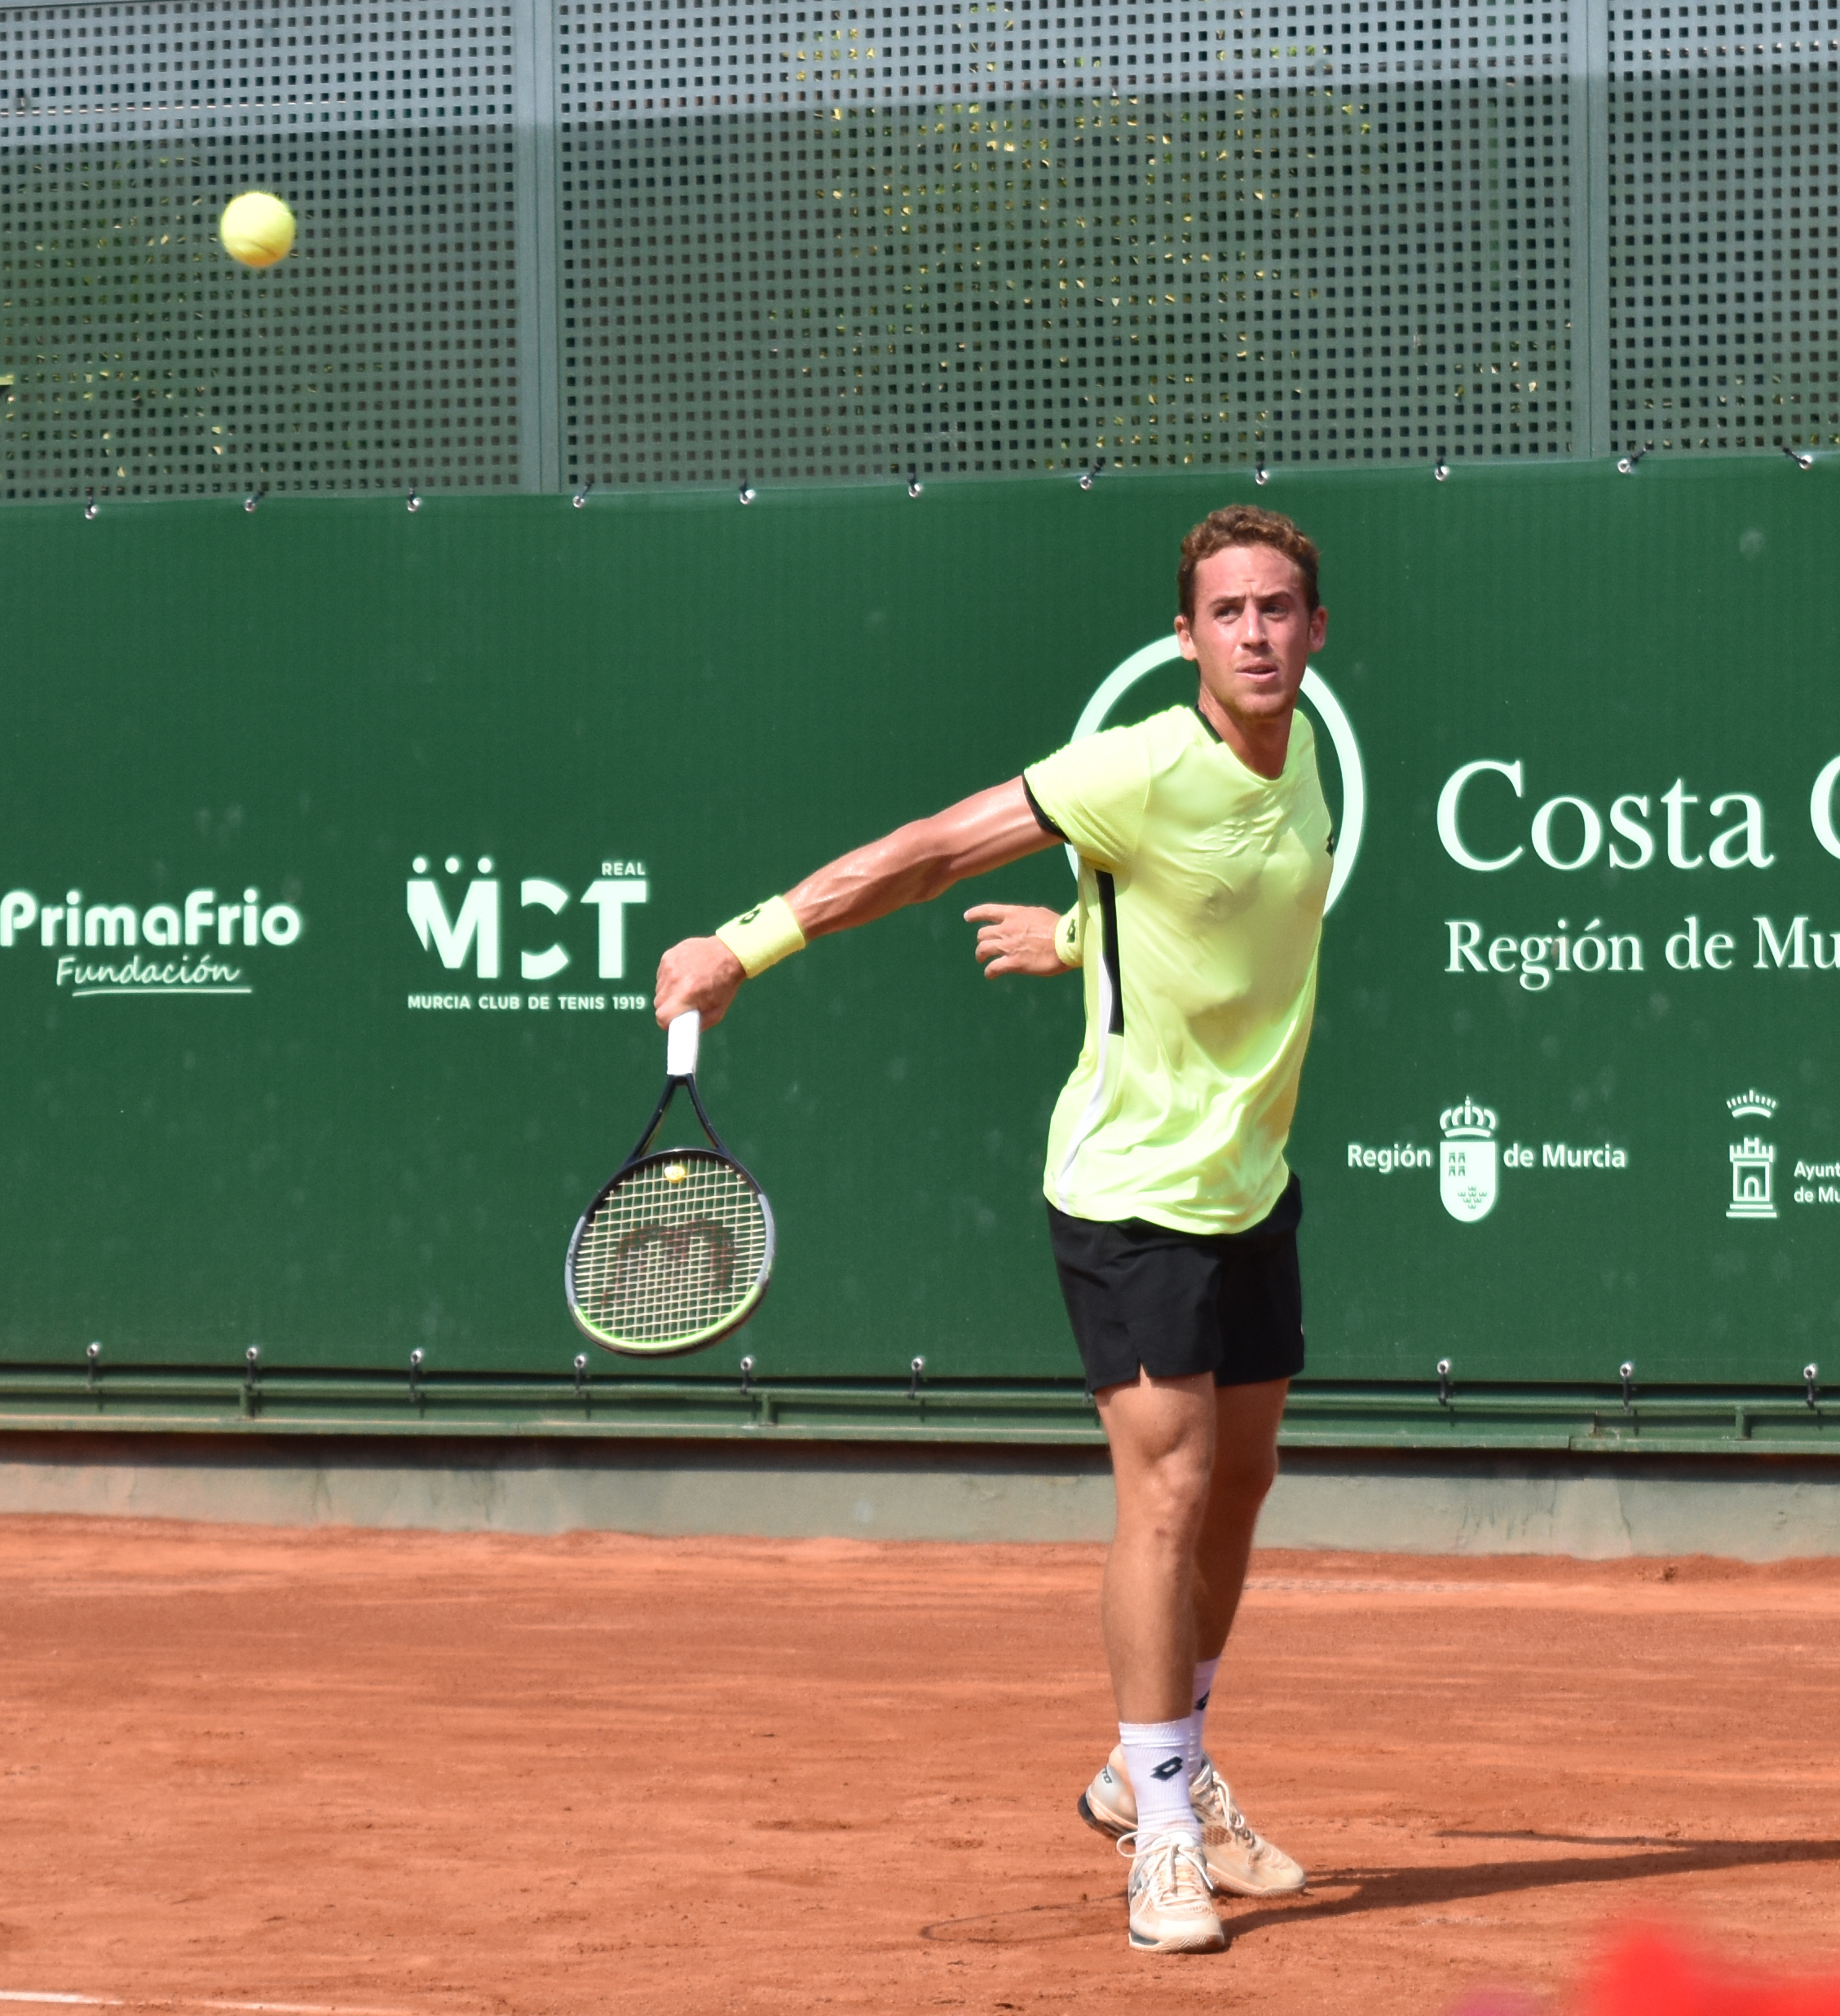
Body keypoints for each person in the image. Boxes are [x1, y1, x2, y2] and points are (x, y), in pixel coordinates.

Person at [654, 504, 1331, 1955]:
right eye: (1226, 613)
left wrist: (1078, 936)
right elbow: (928, 851)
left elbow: (1227, 919)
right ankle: (1162, 1833)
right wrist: (743, 942)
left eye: (1276, 608)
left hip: (1248, 1182)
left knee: (1241, 1481)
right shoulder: (1134, 766)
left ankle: (1151, 1762)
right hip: (1128, 1191)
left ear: (1314, 630)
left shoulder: (1304, 763)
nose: (1255, 634)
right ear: (1185, 637)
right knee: (1168, 1487)